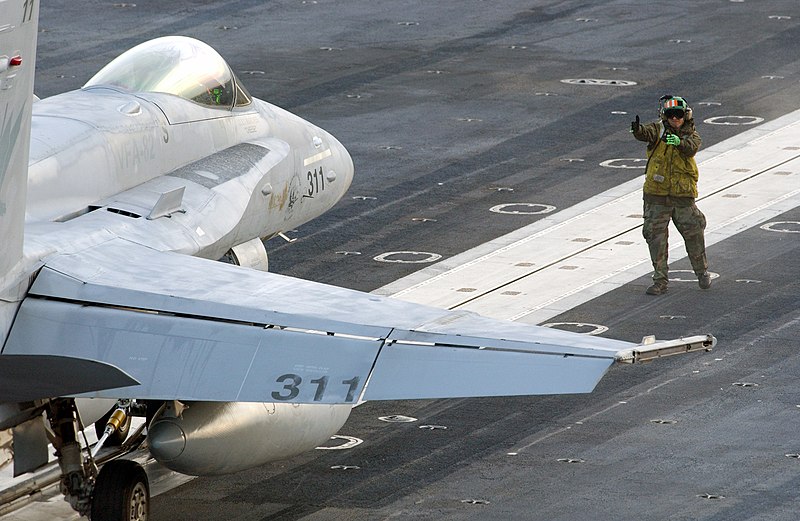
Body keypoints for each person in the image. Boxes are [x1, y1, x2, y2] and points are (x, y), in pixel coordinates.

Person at [630, 95, 711, 295]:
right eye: (671, 115)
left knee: (694, 235)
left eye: (679, 115)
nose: (675, 119)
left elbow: (690, 148)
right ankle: (660, 281)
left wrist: (678, 142)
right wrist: (637, 130)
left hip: (682, 198)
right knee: (655, 238)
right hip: (656, 196)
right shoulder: (657, 131)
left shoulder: (693, 135)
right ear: (665, 116)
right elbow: (646, 133)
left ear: (686, 116)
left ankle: (701, 273)